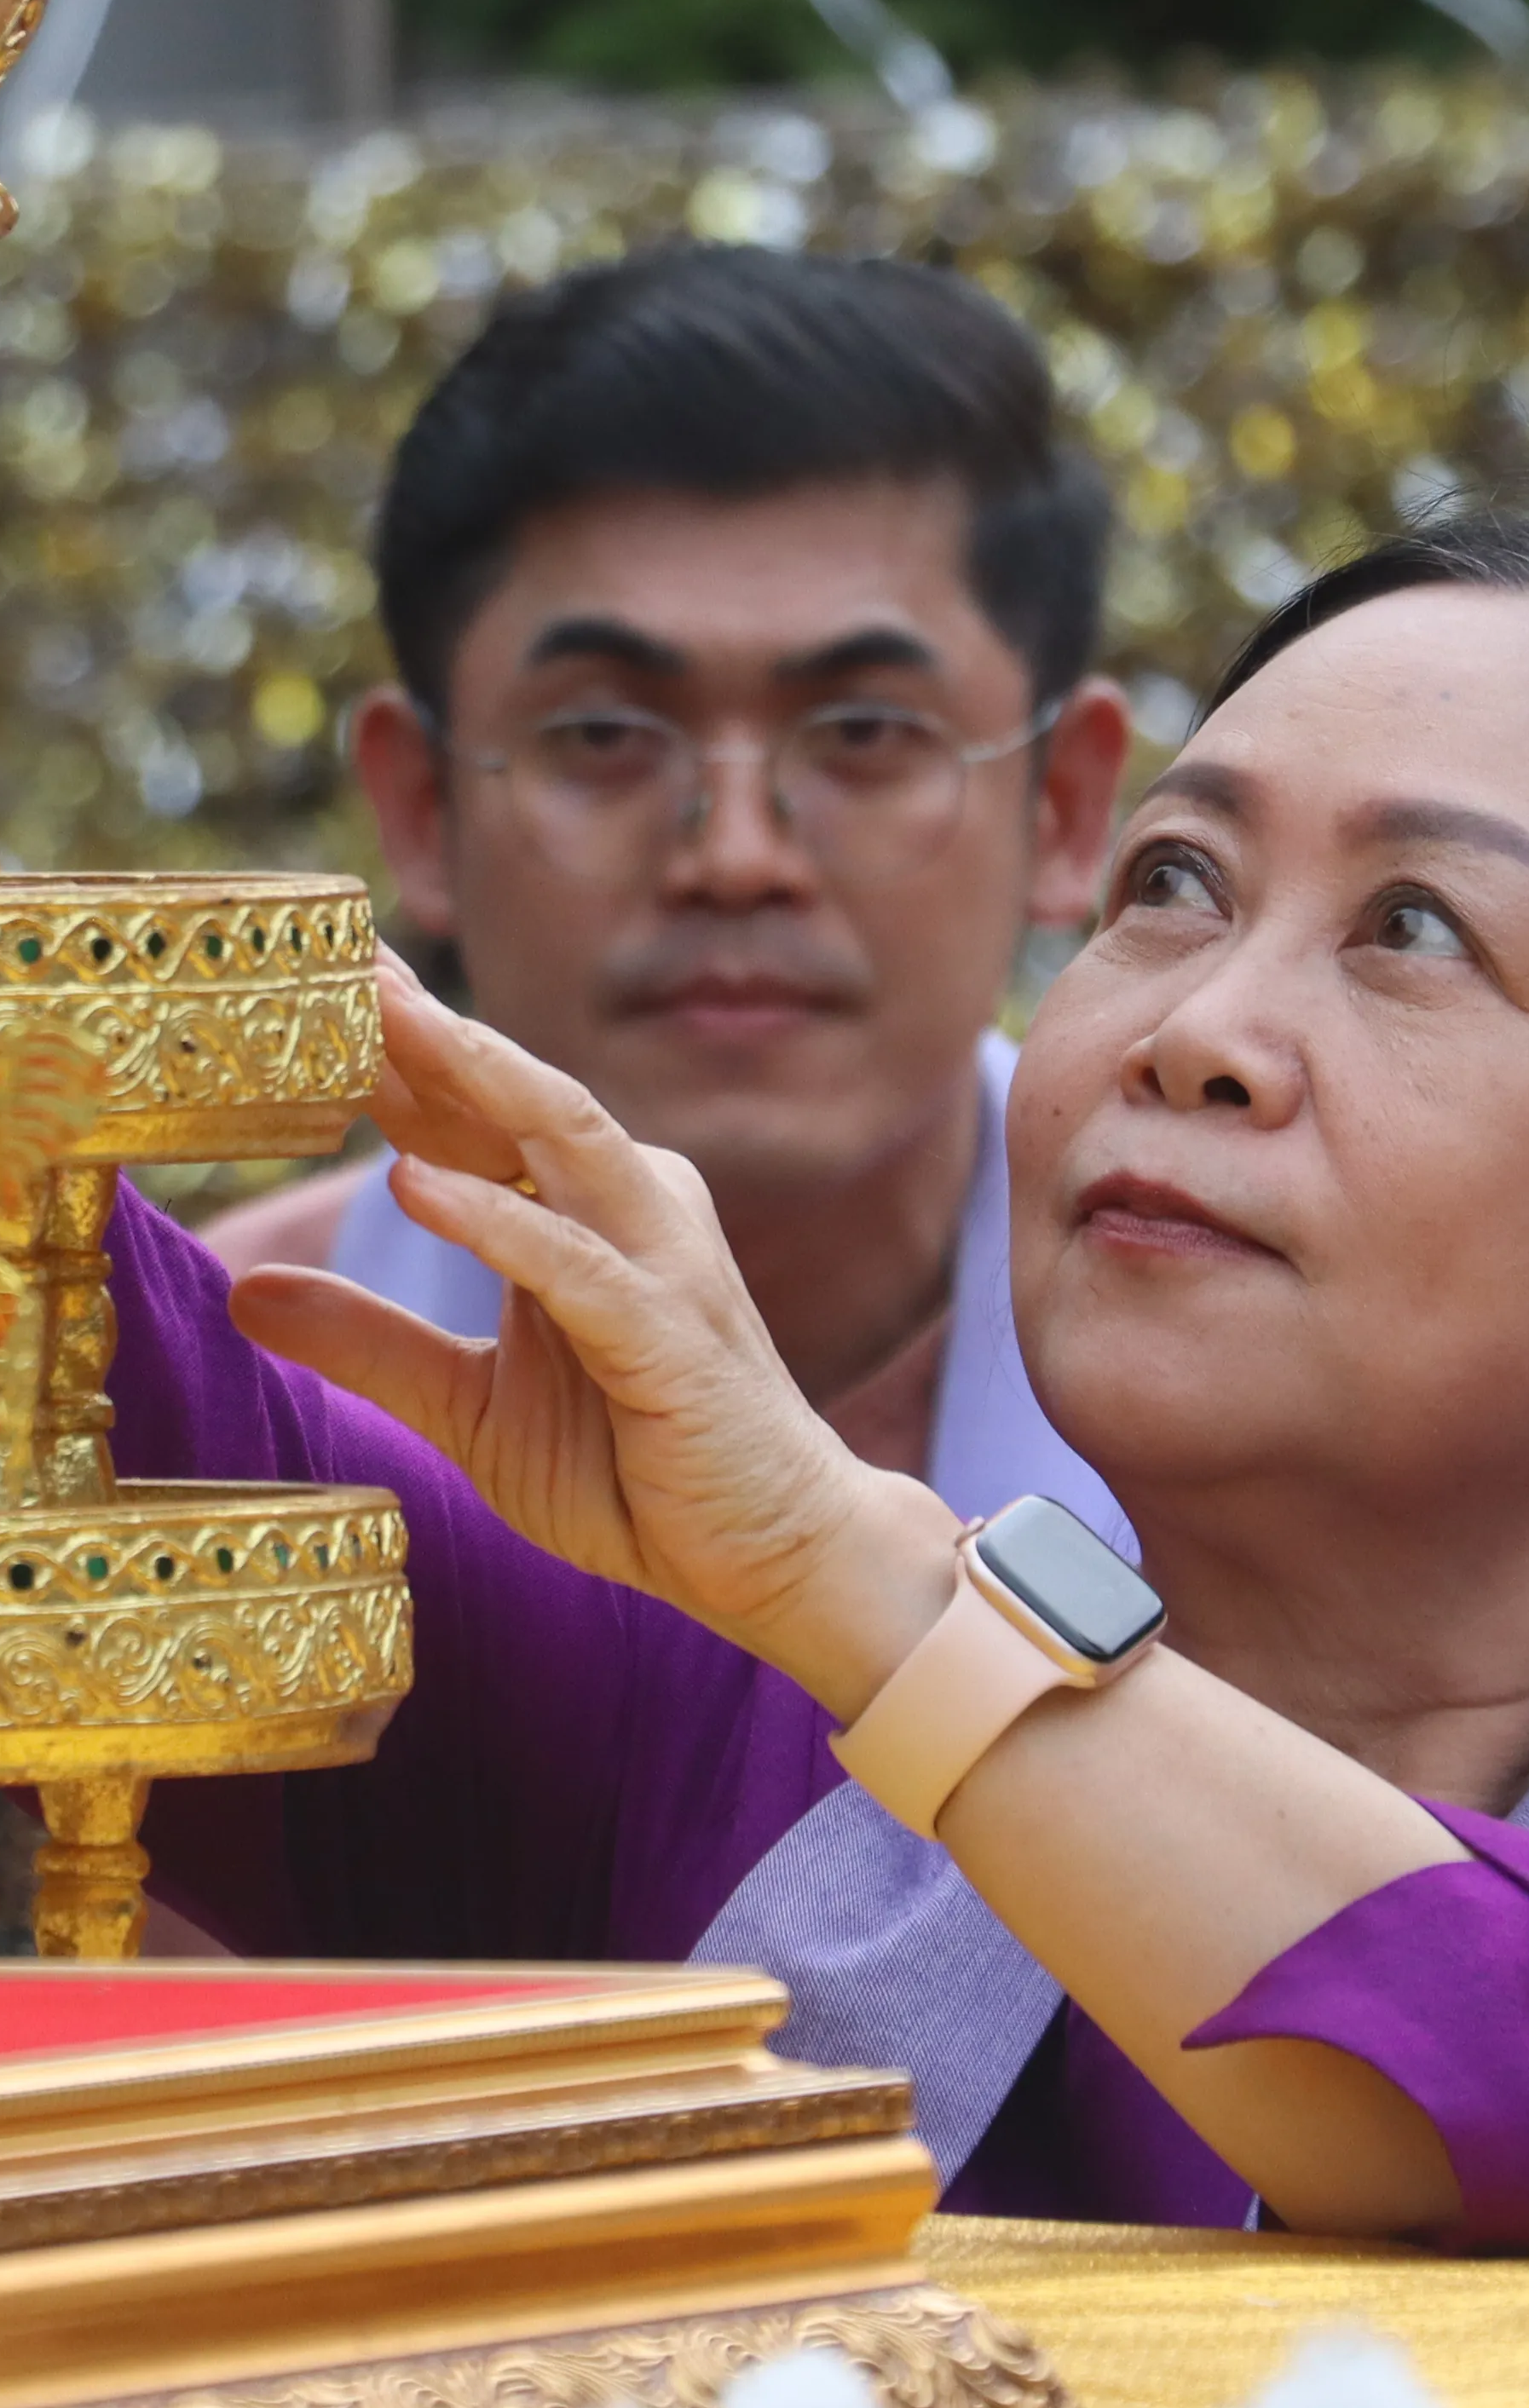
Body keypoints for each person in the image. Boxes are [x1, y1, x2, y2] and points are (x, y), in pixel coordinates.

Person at [112, 501, 1529, 2249]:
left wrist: (891, 1606)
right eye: (1172, 879)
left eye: (1417, 929)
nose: (1195, 1021)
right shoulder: (700, 1722)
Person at [206, 248, 1134, 1536]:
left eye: (865, 733)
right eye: (600, 737)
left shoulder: (1289, 1409)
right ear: (421, 808)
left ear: (1063, 807)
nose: (737, 858)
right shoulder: (206, 1397)